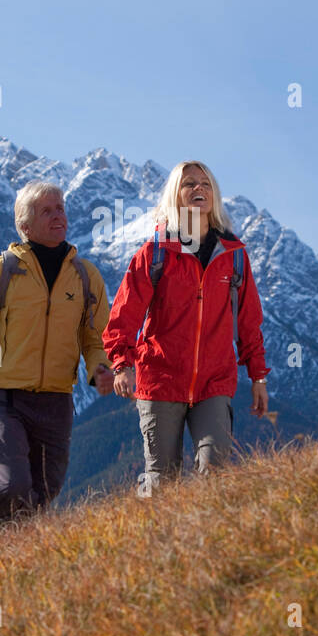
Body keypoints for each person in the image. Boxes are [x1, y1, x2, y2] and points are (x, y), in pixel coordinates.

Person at [0, 181, 115, 531]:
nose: (58, 216)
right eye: (46, 211)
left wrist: (100, 368)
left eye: (60, 208)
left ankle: (17, 566)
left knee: (43, 492)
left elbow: (96, 337)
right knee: (13, 484)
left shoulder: (85, 277)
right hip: (5, 398)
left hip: (57, 401)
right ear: (25, 226)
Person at [102, 160, 269, 486]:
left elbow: (249, 320)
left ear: (214, 196)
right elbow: (124, 315)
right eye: (189, 184)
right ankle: (153, 537)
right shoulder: (155, 253)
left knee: (215, 470)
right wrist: (121, 363)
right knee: (162, 480)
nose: (199, 190)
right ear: (175, 196)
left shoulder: (234, 255)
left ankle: (206, 538)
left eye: (205, 184)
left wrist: (258, 377)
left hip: (214, 382)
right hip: (160, 381)